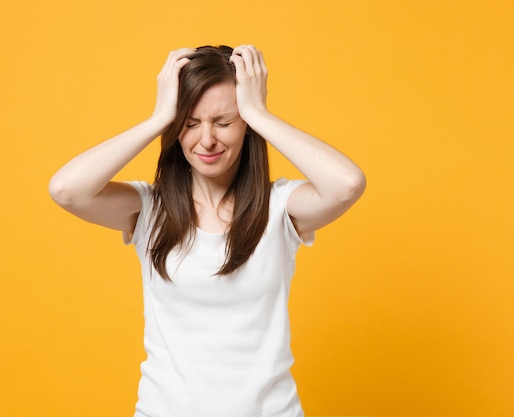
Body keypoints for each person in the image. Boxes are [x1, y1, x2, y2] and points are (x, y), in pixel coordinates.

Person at [49, 44, 366, 417]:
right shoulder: (149, 208)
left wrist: (259, 113)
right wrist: (158, 118)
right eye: (190, 123)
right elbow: (65, 189)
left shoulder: (279, 207)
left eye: (224, 122)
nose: (207, 140)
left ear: (246, 126)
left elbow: (347, 183)